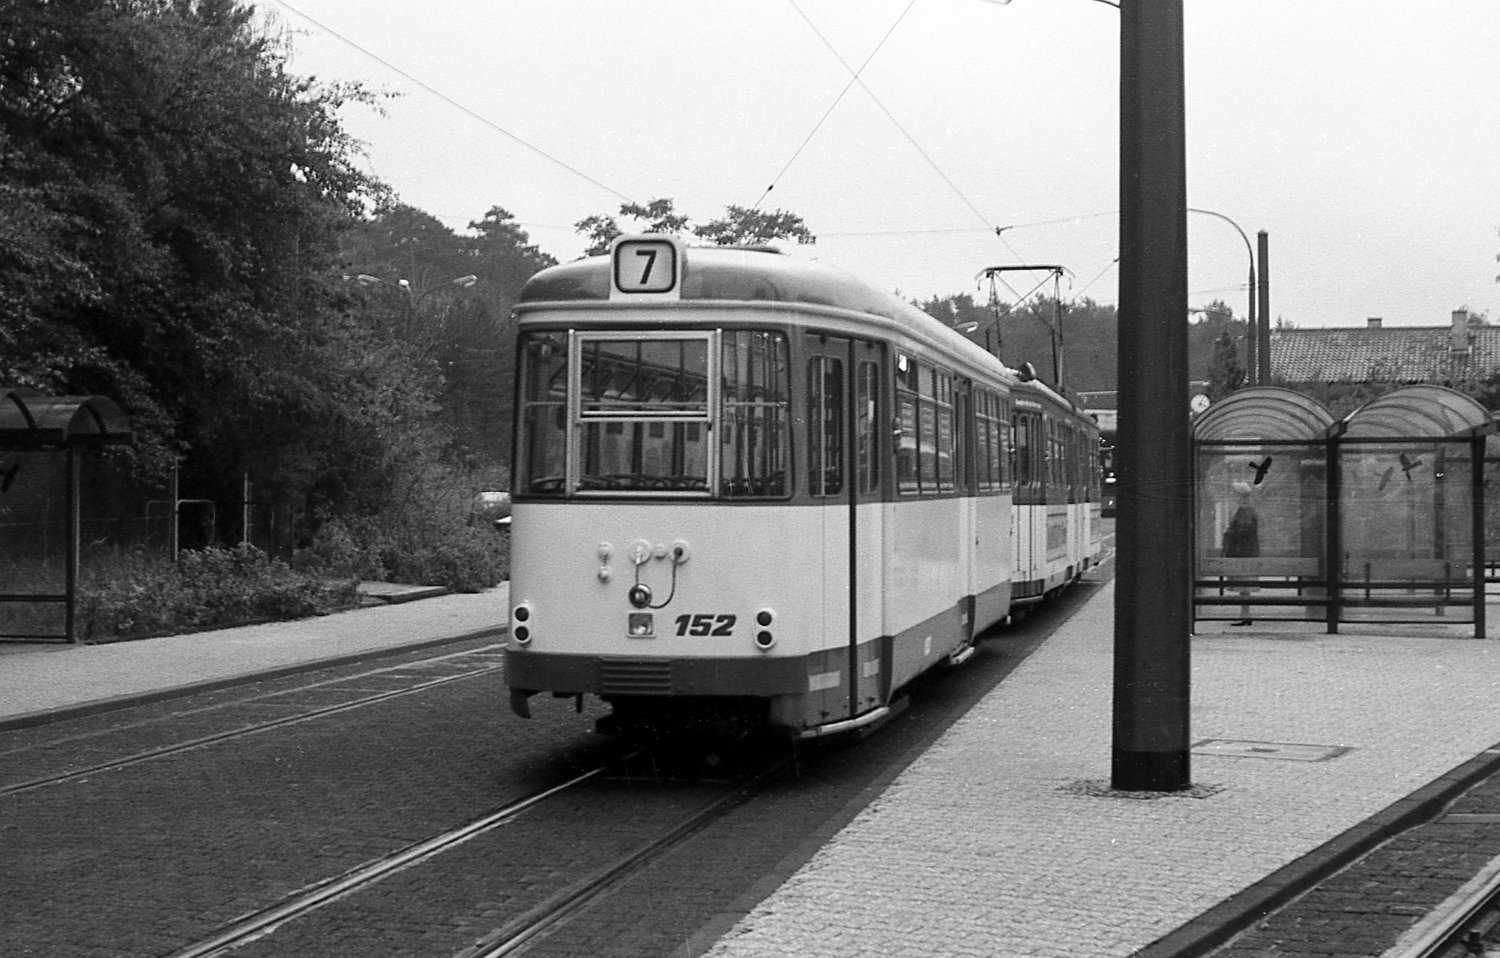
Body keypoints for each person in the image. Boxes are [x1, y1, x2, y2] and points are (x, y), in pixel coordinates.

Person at [1222, 481, 1260, 625]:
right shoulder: (1247, 508)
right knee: (1244, 586)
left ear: (1239, 495)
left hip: (1243, 552)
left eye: (1234, 494)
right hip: (1246, 551)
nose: (1232, 496)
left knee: (1244, 585)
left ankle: (1245, 614)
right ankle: (1245, 614)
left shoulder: (1244, 510)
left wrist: (1229, 532)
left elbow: (1243, 529)